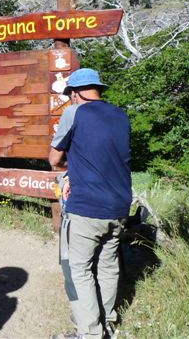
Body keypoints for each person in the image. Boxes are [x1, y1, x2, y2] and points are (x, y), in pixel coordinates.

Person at [48, 68, 132, 339]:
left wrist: (69, 168)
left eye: (69, 95)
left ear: (75, 93)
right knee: (108, 265)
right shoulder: (120, 115)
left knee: (79, 269)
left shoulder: (74, 113)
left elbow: (54, 158)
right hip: (120, 205)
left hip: (87, 207)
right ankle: (107, 321)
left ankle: (90, 333)